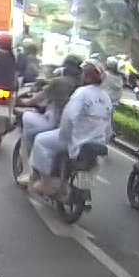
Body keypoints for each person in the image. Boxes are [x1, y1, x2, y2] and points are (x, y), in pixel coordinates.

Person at [29, 59, 113, 196]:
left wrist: (65, 136)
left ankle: (46, 184)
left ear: (86, 76)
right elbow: (108, 127)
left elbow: (68, 117)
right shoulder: (106, 98)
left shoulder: (82, 93)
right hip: (97, 143)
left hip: (77, 140)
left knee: (40, 140)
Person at [15, 56, 83, 186]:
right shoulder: (82, 87)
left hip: (57, 126)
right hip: (78, 130)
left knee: (27, 119)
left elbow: (36, 99)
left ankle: (31, 173)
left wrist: (22, 102)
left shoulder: (59, 82)